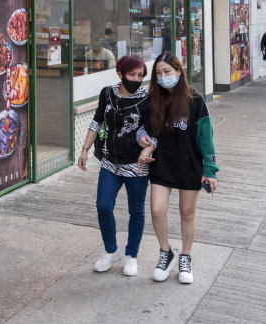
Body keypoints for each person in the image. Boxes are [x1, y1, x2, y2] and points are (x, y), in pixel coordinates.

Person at [137, 53, 217, 286]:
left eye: (167, 72)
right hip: (162, 164)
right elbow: (145, 130)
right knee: (156, 210)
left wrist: (210, 170)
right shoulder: (153, 100)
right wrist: (146, 145)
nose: (163, 77)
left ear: (179, 72)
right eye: (159, 74)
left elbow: (206, 138)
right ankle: (166, 253)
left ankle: (185, 256)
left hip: (190, 164)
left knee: (187, 213)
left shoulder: (196, 100)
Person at [77, 55, 151, 277]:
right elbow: (97, 120)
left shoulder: (147, 99)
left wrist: (148, 148)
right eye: (132, 75)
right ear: (120, 74)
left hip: (136, 165)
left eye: (140, 75)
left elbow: (153, 131)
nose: (136, 79)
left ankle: (131, 255)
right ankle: (111, 250)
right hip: (110, 163)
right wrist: (84, 148)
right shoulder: (107, 93)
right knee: (103, 206)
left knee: (136, 211)